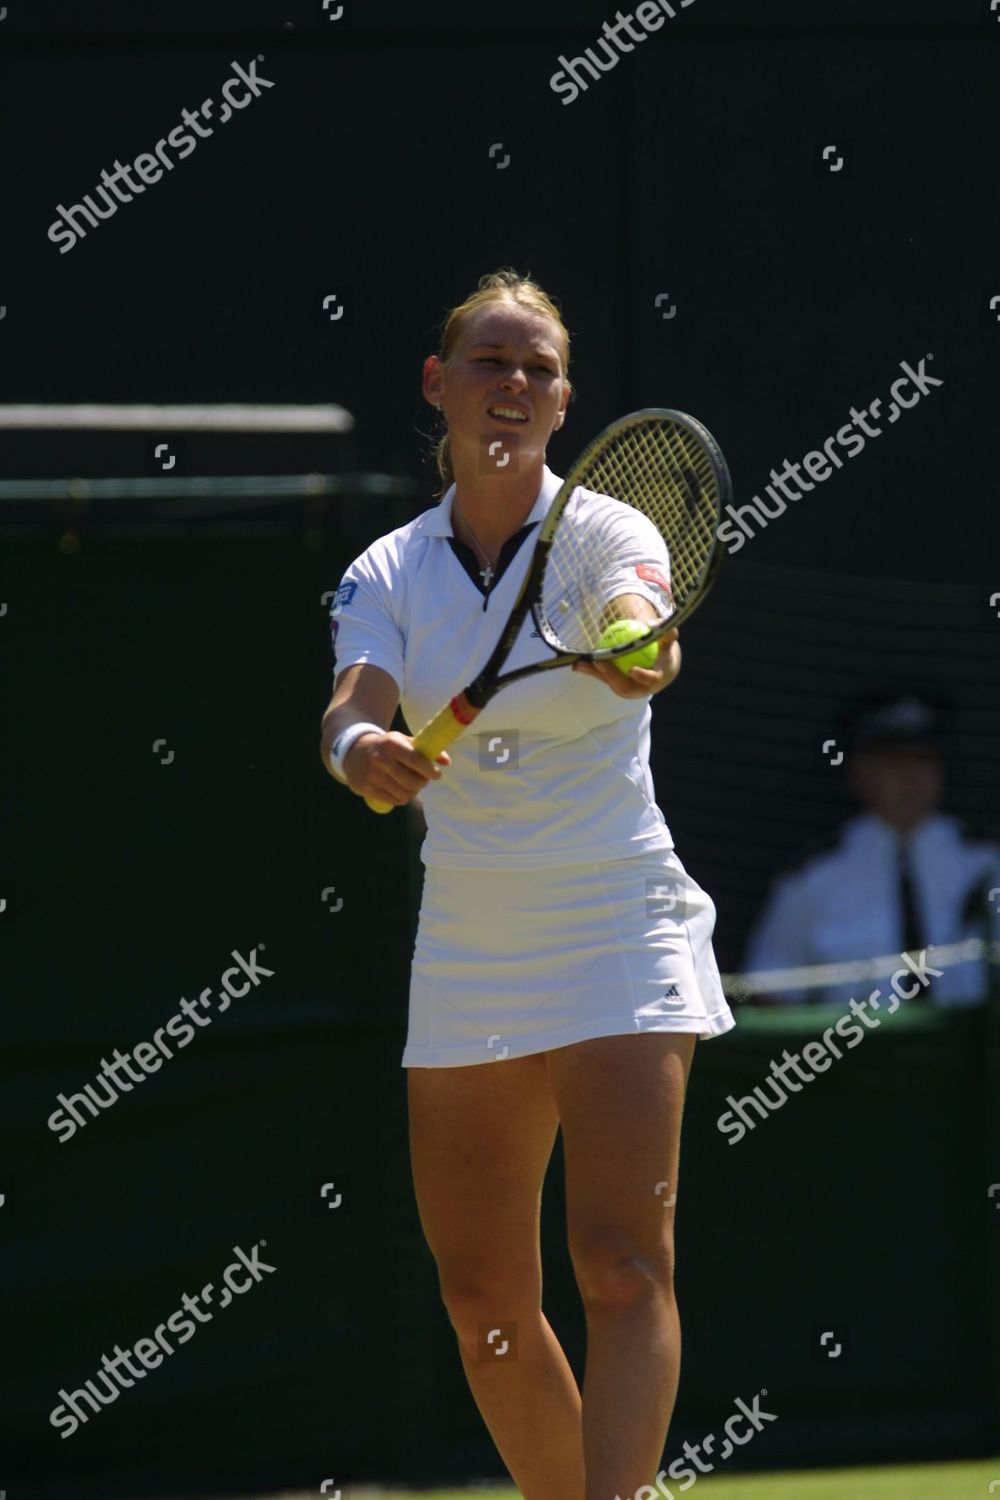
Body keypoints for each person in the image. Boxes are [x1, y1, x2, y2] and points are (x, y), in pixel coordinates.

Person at [319, 269, 735, 1500]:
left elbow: (639, 625)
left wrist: (632, 644)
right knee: (484, 1302)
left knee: (618, 1263)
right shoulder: (384, 572)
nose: (513, 385)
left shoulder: (612, 532)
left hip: (616, 923)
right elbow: (353, 704)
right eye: (489, 362)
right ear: (438, 386)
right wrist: (362, 754)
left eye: (538, 369)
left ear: (564, 404)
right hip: (470, 945)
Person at [744, 693, 1000, 1007]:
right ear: (859, 771)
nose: (910, 776)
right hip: (851, 1049)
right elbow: (770, 992)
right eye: (893, 761)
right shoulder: (813, 876)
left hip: (972, 1051)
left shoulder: (986, 861)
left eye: (924, 760)